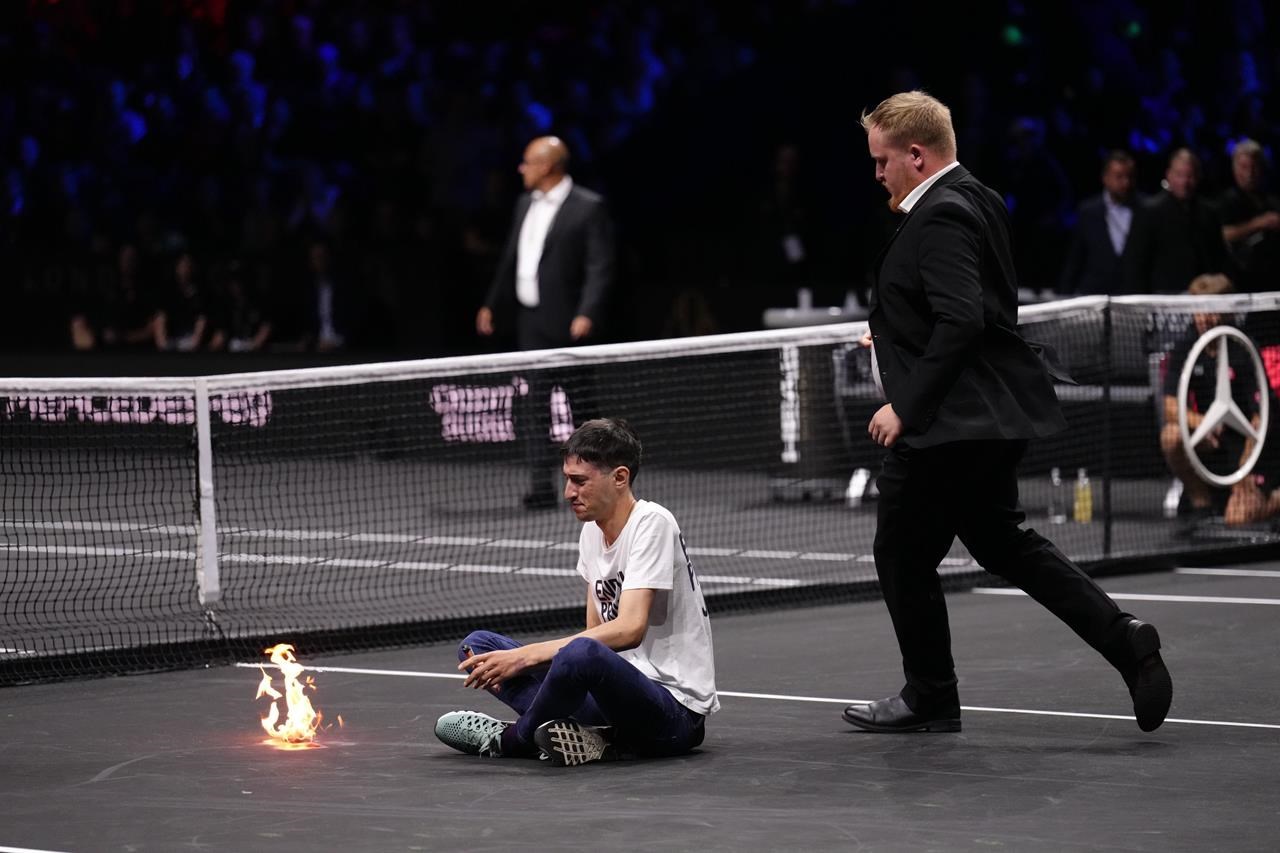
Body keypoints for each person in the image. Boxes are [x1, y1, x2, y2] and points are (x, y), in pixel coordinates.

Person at [846, 91, 1172, 735]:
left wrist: (904, 407)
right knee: (1004, 543)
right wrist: (891, 337)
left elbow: (963, 317)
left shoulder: (938, 215)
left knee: (901, 553)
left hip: (948, 425)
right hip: (989, 418)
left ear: (915, 155)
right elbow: (972, 310)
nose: (876, 173)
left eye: (882, 160)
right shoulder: (978, 197)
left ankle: (931, 694)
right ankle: (1125, 639)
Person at [434, 418, 717, 765]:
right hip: (613, 702)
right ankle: (592, 735)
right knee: (478, 646)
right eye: (567, 479)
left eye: (580, 481)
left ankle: (515, 739)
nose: (568, 492)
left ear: (620, 478)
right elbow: (596, 632)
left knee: (579, 652)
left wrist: (526, 657)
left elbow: (628, 630)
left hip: (673, 715)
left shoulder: (652, 522)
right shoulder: (591, 533)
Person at [476, 136, 617, 509]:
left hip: (570, 326)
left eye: (527, 163)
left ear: (548, 166)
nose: (521, 169)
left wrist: (587, 312)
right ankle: (541, 486)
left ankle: (596, 485)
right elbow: (512, 260)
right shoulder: (525, 204)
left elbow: (599, 267)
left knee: (583, 412)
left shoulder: (588, 207)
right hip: (531, 323)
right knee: (533, 406)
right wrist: (492, 304)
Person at [1160, 273, 1280, 529]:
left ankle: (1274, 497)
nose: (1205, 319)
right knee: (1171, 436)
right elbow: (1171, 407)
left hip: (1249, 447)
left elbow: (1261, 419)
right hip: (1210, 440)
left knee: (1237, 520)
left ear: (1227, 312)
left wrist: (1243, 469)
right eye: (1199, 311)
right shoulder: (1185, 347)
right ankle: (1201, 505)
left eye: (1212, 311)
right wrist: (1203, 422)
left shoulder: (1244, 348)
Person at [1125, 148, 1230, 294]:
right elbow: (1135, 263)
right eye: (1179, 175)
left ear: (1198, 177)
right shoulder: (1149, 212)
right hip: (1163, 298)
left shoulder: (1209, 213)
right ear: (1169, 175)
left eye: (1190, 176)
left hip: (1204, 298)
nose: (1184, 182)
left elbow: (1220, 258)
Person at [1059, 150, 1143, 295]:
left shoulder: (1146, 209)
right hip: (1095, 296)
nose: (1126, 182)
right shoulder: (1088, 212)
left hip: (1132, 297)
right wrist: (1064, 293)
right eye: (1119, 177)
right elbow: (1075, 258)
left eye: (1130, 176)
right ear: (1105, 178)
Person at [1216, 138, 1280, 292]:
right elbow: (1225, 234)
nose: (1249, 173)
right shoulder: (1227, 200)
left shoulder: (1272, 199)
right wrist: (1259, 223)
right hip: (1241, 280)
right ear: (1234, 169)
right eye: (1244, 167)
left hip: (1273, 277)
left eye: (1254, 167)